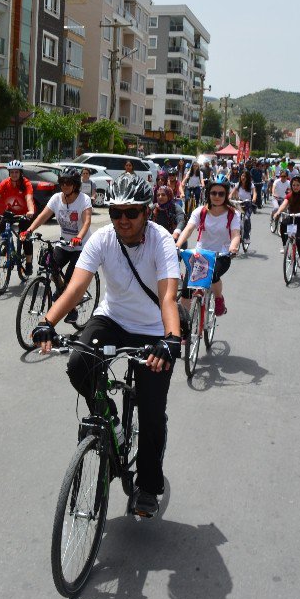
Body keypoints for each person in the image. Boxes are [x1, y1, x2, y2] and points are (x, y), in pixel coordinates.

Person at [32, 174, 181, 518]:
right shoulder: (102, 238)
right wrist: (47, 322)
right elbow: (74, 288)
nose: (123, 221)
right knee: (77, 364)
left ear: (146, 213)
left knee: (152, 411)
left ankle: (147, 486)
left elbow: (168, 296)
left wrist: (170, 340)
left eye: (130, 213)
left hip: (152, 330)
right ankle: (109, 417)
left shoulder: (161, 242)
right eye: (116, 213)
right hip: (111, 320)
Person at [22, 167, 93, 321]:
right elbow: (43, 216)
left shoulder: (83, 200)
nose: (64, 186)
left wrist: (79, 237)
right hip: (63, 243)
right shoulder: (56, 198)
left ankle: (72, 309)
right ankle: (62, 291)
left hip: (81, 246)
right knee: (51, 266)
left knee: (69, 280)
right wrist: (29, 230)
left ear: (75, 184)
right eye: (62, 182)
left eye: (68, 182)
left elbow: (87, 221)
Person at [175, 174, 241, 316]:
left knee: (213, 274)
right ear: (208, 193)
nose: (217, 196)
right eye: (213, 193)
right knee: (186, 290)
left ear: (226, 195)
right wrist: (178, 244)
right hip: (200, 255)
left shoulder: (233, 214)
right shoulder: (200, 212)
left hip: (221, 255)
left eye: (221, 193)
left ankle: (218, 299)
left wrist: (233, 248)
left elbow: (236, 234)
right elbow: (188, 229)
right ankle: (184, 327)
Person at [0, 159, 37, 273]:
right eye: (12, 172)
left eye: (16, 172)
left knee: (25, 237)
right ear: (9, 173)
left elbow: (29, 198)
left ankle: (28, 263)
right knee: (2, 224)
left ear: (20, 173)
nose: (14, 174)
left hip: (25, 213)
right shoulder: (5, 183)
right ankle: (6, 245)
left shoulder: (26, 183)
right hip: (11, 211)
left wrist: (31, 211)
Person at [272, 175, 300, 272]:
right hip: (291, 218)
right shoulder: (289, 195)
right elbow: (284, 205)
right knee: (283, 225)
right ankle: (285, 246)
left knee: (299, 241)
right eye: (294, 185)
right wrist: (278, 212)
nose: (295, 187)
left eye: (297, 185)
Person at [229, 170, 258, 242]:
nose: (243, 177)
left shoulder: (251, 184)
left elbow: (254, 192)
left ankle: (246, 237)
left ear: (247, 177)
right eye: (242, 176)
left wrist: (254, 198)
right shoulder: (238, 184)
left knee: (246, 218)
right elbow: (232, 192)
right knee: (235, 218)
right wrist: (229, 197)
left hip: (248, 203)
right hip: (239, 203)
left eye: (245, 176)